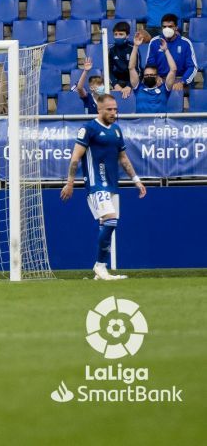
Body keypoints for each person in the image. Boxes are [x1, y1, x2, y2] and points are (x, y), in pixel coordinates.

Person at [60, 92, 146, 281]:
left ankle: (100, 272)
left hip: (112, 185)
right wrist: (70, 182)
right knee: (110, 220)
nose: (114, 112)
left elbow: (123, 158)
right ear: (99, 109)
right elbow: (75, 158)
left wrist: (136, 180)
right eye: (109, 109)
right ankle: (100, 266)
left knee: (107, 225)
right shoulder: (88, 129)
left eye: (115, 109)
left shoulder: (116, 130)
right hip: (95, 184)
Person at [129, 29, 177, 114]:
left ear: (157, 76)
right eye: (146, 75)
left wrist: (166, 50)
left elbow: (173, 70)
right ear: (143, 77)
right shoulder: (138, 88)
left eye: (151, 75)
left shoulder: (165, 89)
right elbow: (131, 68)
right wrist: (135, 46)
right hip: (141, 125)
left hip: (160, 126)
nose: (149, 76)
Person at [144, 14, 197, 90]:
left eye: (170, 26)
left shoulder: (185, 43)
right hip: (160, 79)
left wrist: (182, 81)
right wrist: (156, 77)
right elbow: (150, 64)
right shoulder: (154, 42)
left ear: (176, 28)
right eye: (164, 27)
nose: (167, 29)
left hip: (180, 79)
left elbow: (192, 67)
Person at [106, 21, 136, 91]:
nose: (117, 37)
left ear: (127, 35)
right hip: (118, 81)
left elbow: (138, 70)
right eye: (115, 34)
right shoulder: (111, 49)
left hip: (132, 80)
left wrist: (129, 86)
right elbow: (108, 70)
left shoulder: (133, 48)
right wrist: (115, 84)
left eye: (121, 34)